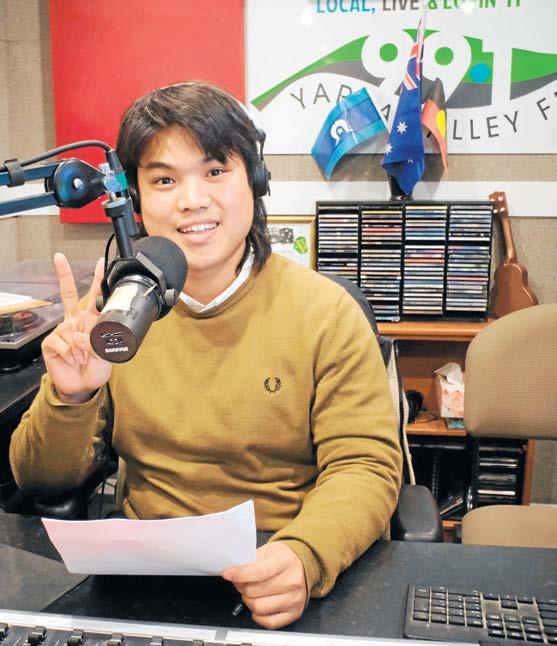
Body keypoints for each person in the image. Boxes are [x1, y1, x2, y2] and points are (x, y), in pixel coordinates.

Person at [9, 81, 402, 629]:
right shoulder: (114, 317)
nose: (192, 200)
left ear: (255, 181)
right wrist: (72, 396)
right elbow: (39, 482)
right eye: (164, 180)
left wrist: (304, 555)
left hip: (276, 569)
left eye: (215, 171)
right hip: (141, 580)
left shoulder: (325, 313)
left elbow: (364, 466)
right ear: (135, 200)